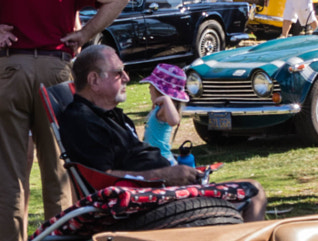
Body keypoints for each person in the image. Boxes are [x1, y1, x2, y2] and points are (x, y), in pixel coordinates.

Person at [0, 0, 129, 241]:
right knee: (59, 169)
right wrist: (85, 33)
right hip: (56, 68)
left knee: (8, 171)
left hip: (9, 68)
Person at [58, 45, 268, 219]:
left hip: (160, 193)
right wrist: (166, 175)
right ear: (94, 80)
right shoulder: (81, 120)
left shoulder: (111, 115)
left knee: (252, 189)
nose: (126, 77)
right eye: (118, 72)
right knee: (253, 193)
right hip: (147, 204)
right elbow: (104, 178)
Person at [144, 63, 187, 158]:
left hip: (161, 158)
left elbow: (174, 121)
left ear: (160, 90)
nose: (149, 88)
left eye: (152, 85)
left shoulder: (165, 108)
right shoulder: (161, 108)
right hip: (153, 156)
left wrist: (166, 99)